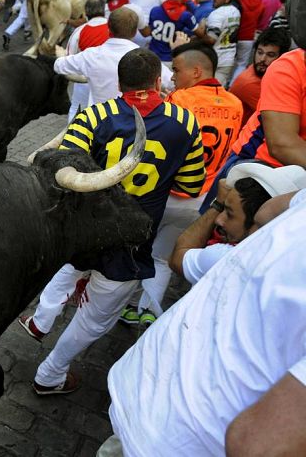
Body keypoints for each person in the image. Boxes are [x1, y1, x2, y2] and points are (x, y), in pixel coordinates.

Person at [30, 49, 204, 395]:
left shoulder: (94, 115)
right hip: (131, 240)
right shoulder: (186, 123)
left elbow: (59, 172)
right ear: (158, 81)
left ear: (119, 83)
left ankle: (41, 320)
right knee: (97, 317)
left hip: (83, 231)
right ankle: (50, 374)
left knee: (72, 267)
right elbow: (190, 185)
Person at [102, 187, 306, 457]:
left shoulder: (230, 254)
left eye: (230, 215)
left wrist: (216, 204)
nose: (221, 222)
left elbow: (180, 255)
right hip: (172, 433)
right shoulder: (226, 254)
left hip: (135, 391)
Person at [120, 41, 243, 326]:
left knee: (137, 250)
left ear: (197, 71)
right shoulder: (236, 104)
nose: (172, 77)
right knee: (163, 258)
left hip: (164, 193)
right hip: (199, 198)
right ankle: (146, 311)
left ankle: (121, 305)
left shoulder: (180, 101)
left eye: (176, 70)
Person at [169, 163, 306, 285]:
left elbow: (177, 258)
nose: (219, 220)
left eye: (230, 214)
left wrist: (217, 205)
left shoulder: (225, 258)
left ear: (258, 221)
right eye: (223, 210)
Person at [53, 7, 173, 107]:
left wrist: (60, 54)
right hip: (132, 124)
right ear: (135, 32)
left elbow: (59, 66)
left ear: (108, 29)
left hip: (99, 123)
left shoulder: (91, 55)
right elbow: (172, 82)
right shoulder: (147, 58)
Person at [60, 0, 109, 120]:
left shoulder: (79, 31)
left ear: (86, 13)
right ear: (103, 10)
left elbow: (69, 58)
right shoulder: (113, 28)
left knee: (76, 112)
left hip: (83, 79)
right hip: (108, 80)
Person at [230, 27, 291, 124]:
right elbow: (282, 119)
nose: (262, 59)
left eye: (270, 55)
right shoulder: (249, 83)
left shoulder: (264, 74)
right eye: (260, 52)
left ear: (282, 58)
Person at [192, 0, 240, 86]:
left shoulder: (216, 14)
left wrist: (197, 35)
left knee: (206, 92)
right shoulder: (235, 11)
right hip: (228, 58)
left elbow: (211, 39)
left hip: (215, 59)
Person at [146, 0, 197, 66]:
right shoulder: (185, 15)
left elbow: (150, 30)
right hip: (170, 59)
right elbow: (200, 33)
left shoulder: (154, 10)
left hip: (151, 56)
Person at [230, 0, 264, 84]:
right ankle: (233, 85)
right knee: (241, 64)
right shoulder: (260, 2)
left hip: (234, 36)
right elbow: (260, 19)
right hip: (248, 37)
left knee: (228, 62)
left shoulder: (238, 1)